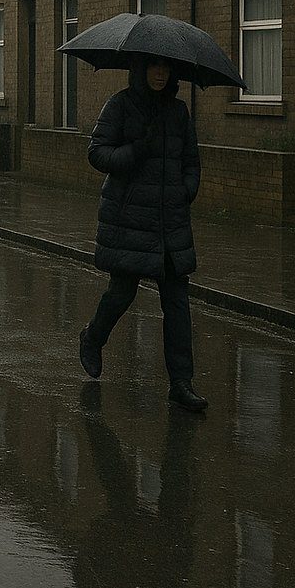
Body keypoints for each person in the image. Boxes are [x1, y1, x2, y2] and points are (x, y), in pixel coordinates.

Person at [78, 55, 208, 412]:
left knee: (177, 304)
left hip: (170, 225)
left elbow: (192, 161)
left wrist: (187, 189)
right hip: (130, 220)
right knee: (121, 294)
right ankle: (92, 338)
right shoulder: (120, 105)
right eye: (154, 67)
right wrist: (135, 151)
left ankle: (181, 383)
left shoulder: (179, 112)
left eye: (166, 69)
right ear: (140, 70)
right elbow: (97, 153)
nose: (160, 74)